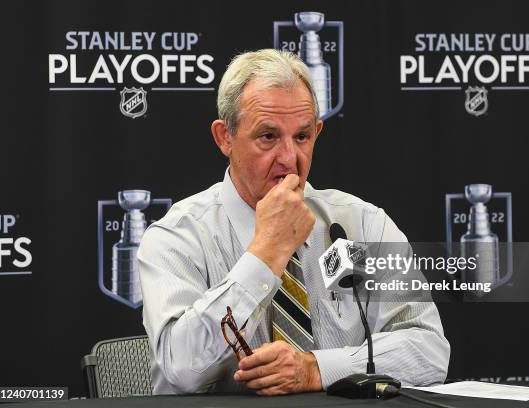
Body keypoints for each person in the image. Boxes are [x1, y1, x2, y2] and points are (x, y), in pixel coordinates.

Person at [137, 49, 450, 395]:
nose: (289, 159)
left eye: (302, 137)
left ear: (316, 132)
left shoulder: (359, 226)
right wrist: (265, 254)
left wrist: (317, 368)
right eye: (268, 137)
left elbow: (428, 349)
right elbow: (183, 368)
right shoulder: (178, 236)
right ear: (225, 137)